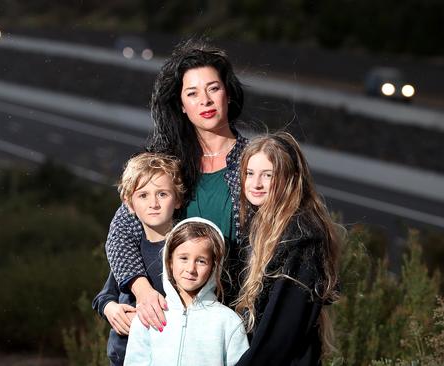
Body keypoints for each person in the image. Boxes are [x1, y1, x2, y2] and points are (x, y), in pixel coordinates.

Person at [104, 38, 249, 332]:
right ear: (181, 105)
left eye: (213, 89)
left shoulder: (253, 163)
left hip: (231, 317)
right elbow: (121, 233)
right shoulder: (166, 163)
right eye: (192, 93)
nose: (205, 101)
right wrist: (143, 293)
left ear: (228, 94)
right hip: (171, 321)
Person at [234, 132, 341, 366]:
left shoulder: (302, 237)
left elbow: (280, 335)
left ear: (290, 179)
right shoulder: (259, 222)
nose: (256, 184)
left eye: (268, 175)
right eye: (249, 174)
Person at [92, 152, 185, 366]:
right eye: (143, 195)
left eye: (162, 194)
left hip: (168, 355)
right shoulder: (131, 250)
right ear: (129, 204)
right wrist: (111, 309)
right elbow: (104, 296)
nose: (153, 203)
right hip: (125, 355)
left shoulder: (185, 250)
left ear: (178, 199)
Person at [124, 217, 249, 366]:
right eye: (183, 258)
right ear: (169, 262)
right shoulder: (149, 316)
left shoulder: (229, 322)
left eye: (201, 261)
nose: (191, 269)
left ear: (214, 266)